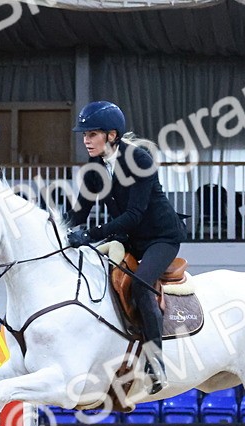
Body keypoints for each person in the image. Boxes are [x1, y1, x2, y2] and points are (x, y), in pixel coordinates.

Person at [65, 100, 185, 394]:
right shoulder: (95, 168)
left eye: (92, 134)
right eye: (84, 135)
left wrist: (90, 235)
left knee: (141, 285)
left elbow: (133, 215)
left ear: (112, 135)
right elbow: (78, 213)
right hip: (130, 238)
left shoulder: (139, 160)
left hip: (160, 237)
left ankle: (156, 363)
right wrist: (53, 228)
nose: (86, 140)